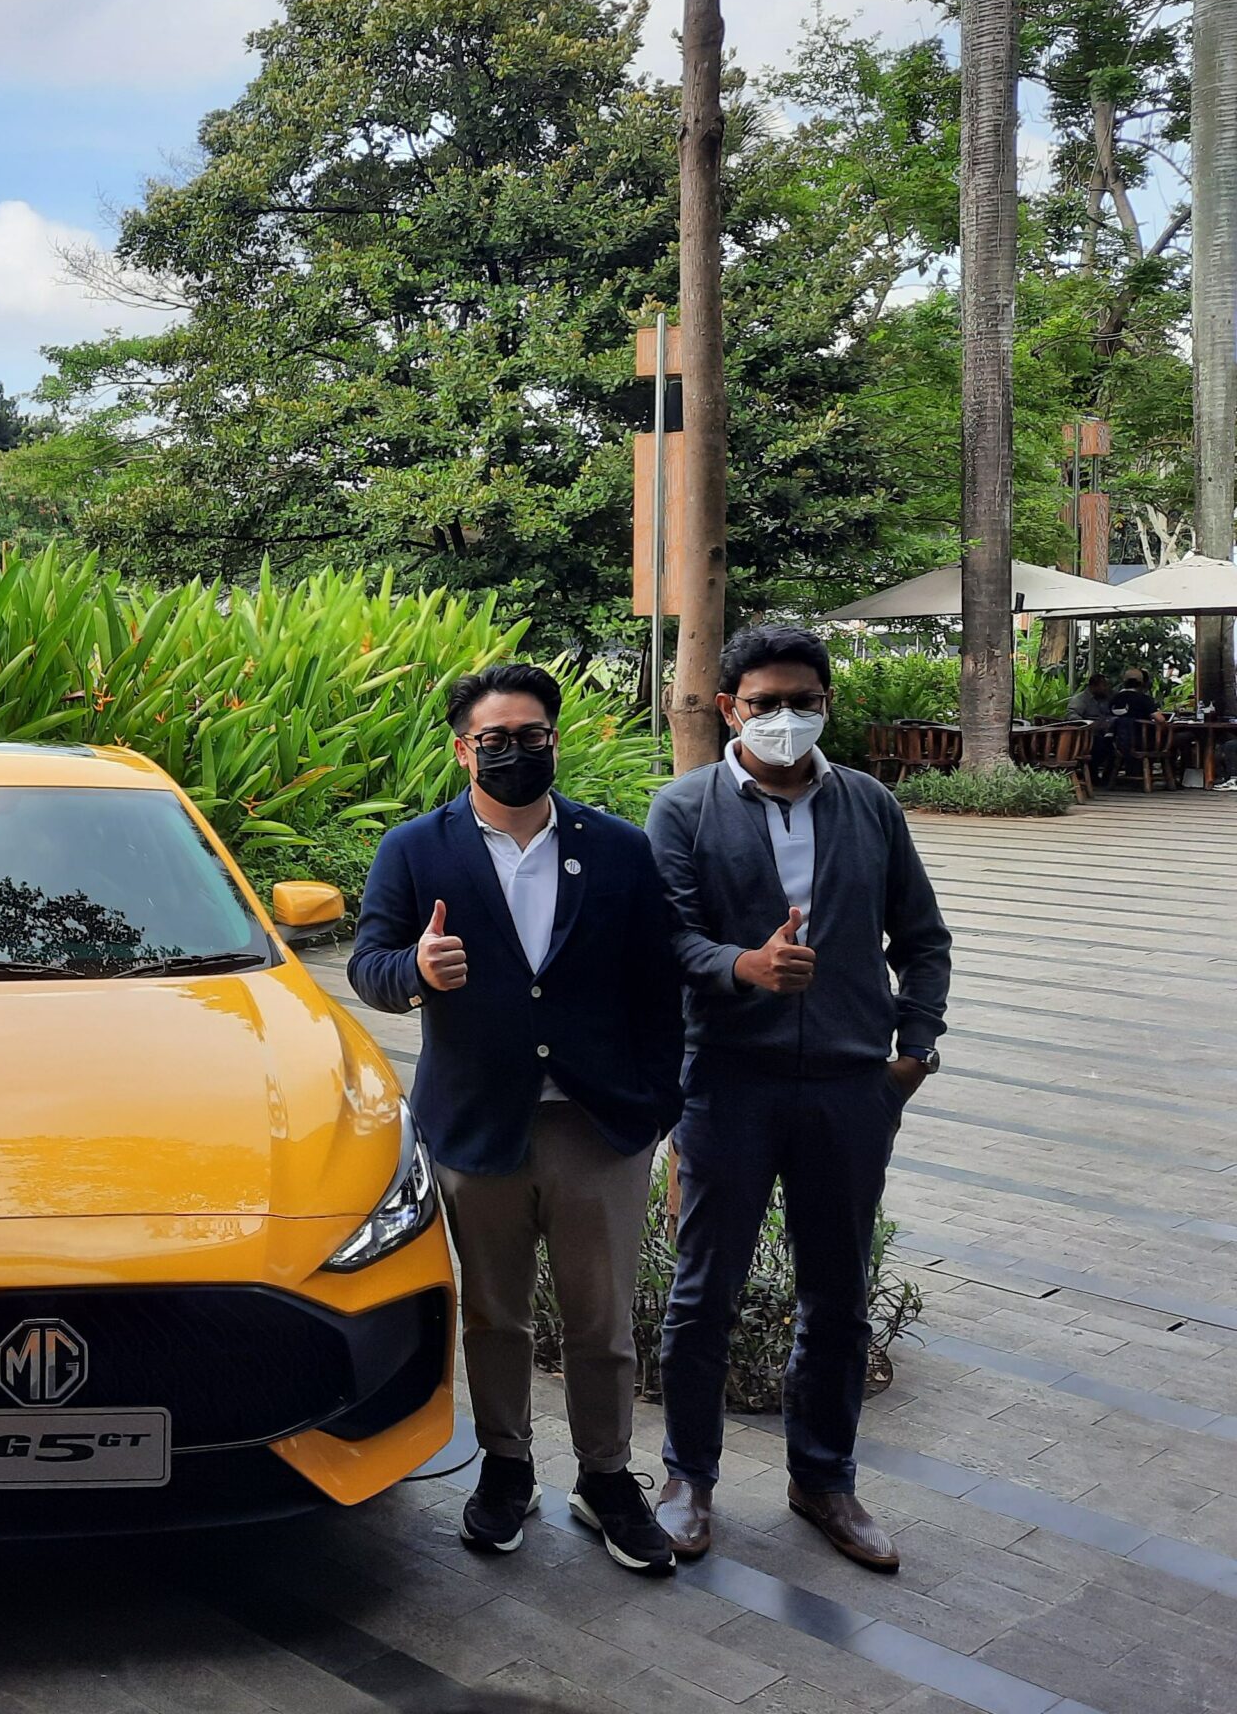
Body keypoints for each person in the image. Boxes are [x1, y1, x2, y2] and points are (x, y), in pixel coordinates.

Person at [346, 664, 687, 1575]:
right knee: (494, 1315)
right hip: (477, 1126)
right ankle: (506, 1467)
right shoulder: (415, 850)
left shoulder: (617, 848)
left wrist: (659, 1107)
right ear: (463, 751)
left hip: (597, 1127)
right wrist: (416, 972)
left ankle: (606, 1477)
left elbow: (660, 989)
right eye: (493, 740)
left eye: (531, 735)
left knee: (601, 1320)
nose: (514, 752)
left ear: (555, 741)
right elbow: (368, 965)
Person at [645, 625, 952, 1573]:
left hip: (850, 1089)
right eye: (766, 703)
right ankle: (688, 1479)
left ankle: (824, 1480)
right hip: (729, 1081)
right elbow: (665, 938)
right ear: (729, 708)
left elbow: (923, 937)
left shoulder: (870, 805)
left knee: (838, 1297)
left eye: (802, 701)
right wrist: (744, 964)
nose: (785, 717)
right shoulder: (684, 809)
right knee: (704, 1295)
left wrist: (914, 1051)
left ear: (827, 703)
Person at [1064, 673, 1117, 785]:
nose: (1107, 688)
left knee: (1118, 746)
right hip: (1088, 735)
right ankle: (1093, 776)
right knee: (1099, 746)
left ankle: (1108, 778)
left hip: (1108, 732)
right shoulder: (1080, 699)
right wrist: (1089, 724)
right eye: (1104, 685)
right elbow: (1071, 715)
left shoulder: (1108, 698)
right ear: (1094, 686)